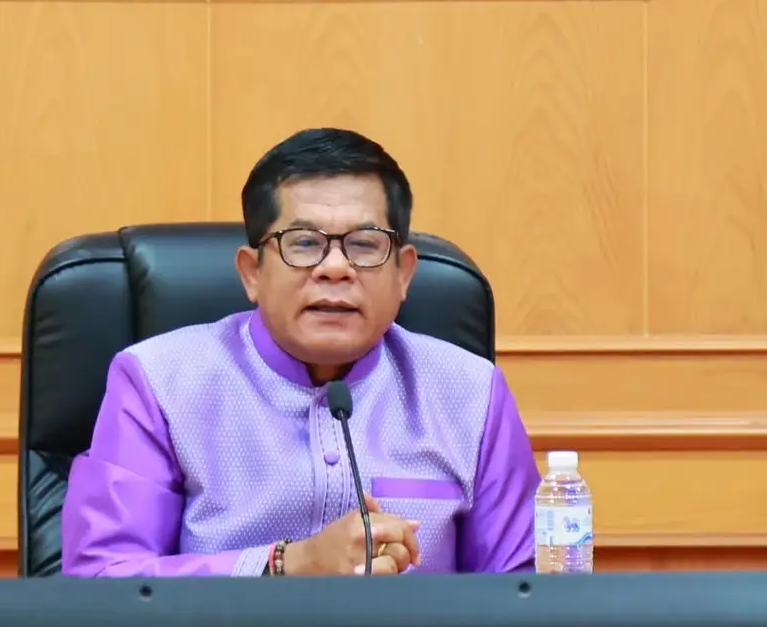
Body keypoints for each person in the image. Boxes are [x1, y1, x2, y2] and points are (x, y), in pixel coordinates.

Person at [60, 127, 540, 577]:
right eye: (304, 243)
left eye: (365, 244)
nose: (335, 268)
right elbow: (103, 582)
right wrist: (287, 564)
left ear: (403, 274)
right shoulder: (160, 383)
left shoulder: (470, 394)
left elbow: (527, 594)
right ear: (252, 273)